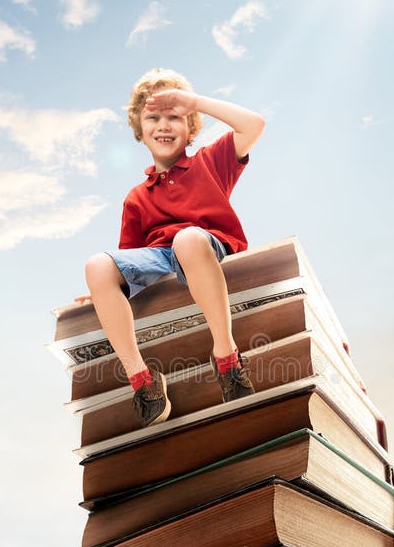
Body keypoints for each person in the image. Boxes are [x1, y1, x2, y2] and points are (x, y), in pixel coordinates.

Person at [83, 67, 266, 427]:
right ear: (140, 129)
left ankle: (226, 358)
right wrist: (99, 290)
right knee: (96, 265)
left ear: (190, 126)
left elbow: (254, 124)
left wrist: (194, 101)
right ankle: (143, 381)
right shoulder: (136, 199)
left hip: (202, 247)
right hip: (159, 260)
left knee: (187, 239)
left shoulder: (211, 163)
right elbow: (129, 263)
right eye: (153, 118)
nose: (164, 125)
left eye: (174, 116)